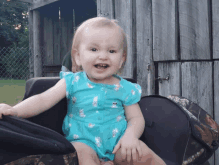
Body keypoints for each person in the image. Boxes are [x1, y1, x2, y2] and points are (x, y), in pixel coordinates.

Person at [0, 17, 166, 165]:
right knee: (80, 153)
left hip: (118, 145)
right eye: (94, 49)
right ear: (78, 56)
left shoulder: (125, 88)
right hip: (84, 142)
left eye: (112, 51)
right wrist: (15, 110)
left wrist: (131, 137)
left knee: (141, 152)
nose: (103, 56)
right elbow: (43, 100)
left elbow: (136, 118)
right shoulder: (73, 82)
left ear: (122, 59)